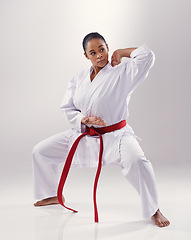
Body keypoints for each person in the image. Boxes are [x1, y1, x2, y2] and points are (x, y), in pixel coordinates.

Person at [32, 32, 170, 227]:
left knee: (138, 161)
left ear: (107, 47)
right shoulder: (79, 78)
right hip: (84, 135)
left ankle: (154, 209)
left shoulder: (122, 73)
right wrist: (83, 119)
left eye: (102, 49)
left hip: (117, 136)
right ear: (86, 55)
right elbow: (67, 108)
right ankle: (52, 194)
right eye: (93, 52)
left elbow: (147, 57)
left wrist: (122, 52)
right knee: (41, 151)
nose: (99, 55)